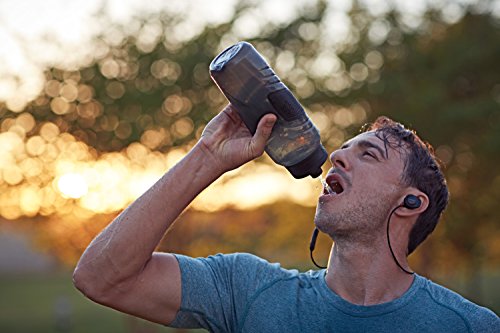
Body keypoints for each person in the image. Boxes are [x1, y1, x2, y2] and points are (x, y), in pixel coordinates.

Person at [73, 105, 499, 332]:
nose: (337, 156)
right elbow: (101, 277)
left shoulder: (469, 326)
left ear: (410, 203)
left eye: (368, 154)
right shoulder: (245, 291)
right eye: (344, 148)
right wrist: (206, 157)